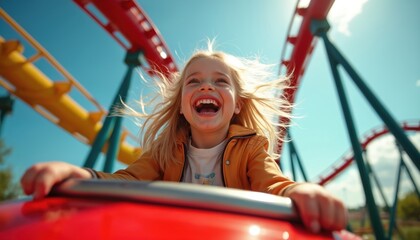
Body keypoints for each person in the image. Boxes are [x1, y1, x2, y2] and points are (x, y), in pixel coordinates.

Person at [21, 43, 347, 233]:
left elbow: (271, 184)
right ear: (181, 106)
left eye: (221, 82)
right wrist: (83, 176)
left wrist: (299, 190)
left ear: (237, 105)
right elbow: (125, 180)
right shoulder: (164, 151)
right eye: (194, 82)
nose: (206, 87)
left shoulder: (251, 146)